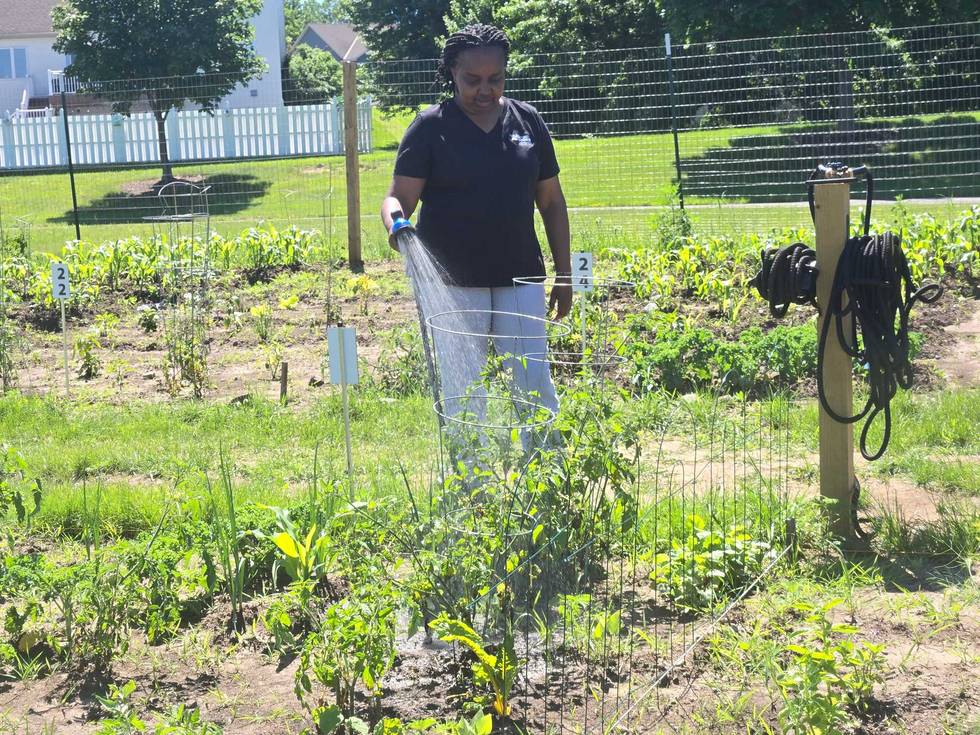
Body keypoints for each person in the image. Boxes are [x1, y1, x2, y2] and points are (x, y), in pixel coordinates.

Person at [380, 23, 572, 438]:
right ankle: (472, 488)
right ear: (450, 71)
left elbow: (552, 202)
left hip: (520, 276)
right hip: (453, 284)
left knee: (532, 383)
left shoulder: (528, 122)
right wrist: (397, 225)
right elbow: (397, 200)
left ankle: (545, 477)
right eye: (472, 80)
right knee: (464, 392)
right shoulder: (430, 128)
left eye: (495, 79)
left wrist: (565, 273)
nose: (485, 90)